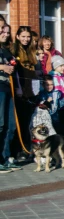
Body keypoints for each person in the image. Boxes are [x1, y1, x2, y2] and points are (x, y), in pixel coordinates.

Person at [12, 26, 40, 158]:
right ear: (17, 37)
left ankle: (26, 149)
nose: (26, 39)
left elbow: (34, 73)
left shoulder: (31, 51)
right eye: (23, 36)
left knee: (27, 123)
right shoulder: (14, 50)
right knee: (19, 123)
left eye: (28, 36)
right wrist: (18, 89)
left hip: (30, 92)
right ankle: (18, 150)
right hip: (19, 92)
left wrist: (36, 90)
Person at [0, 24, 19, 172]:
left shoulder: (6, 50)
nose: (4, 34)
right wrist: (2, 67)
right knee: (1, 124)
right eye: (2, 30)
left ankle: (6, 158)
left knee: (10, 125)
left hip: (8, 88)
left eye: (7, 32)